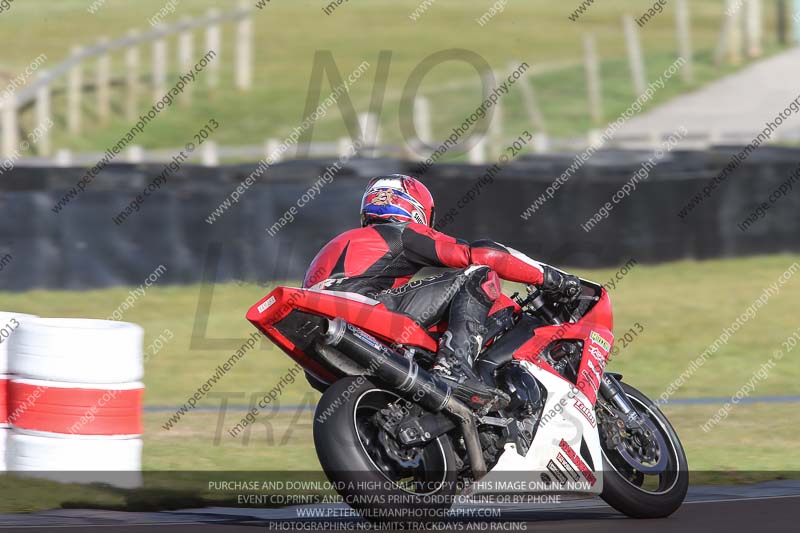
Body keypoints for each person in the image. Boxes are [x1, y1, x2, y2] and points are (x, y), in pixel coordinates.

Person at [303, 174, 580, 410]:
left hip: (320, 338)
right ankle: (455, 366)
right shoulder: (402, 232)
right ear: (415, 207)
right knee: (478, 274)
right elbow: (481, 254)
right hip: (360, 309)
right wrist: (549, 277)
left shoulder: (340, 242)